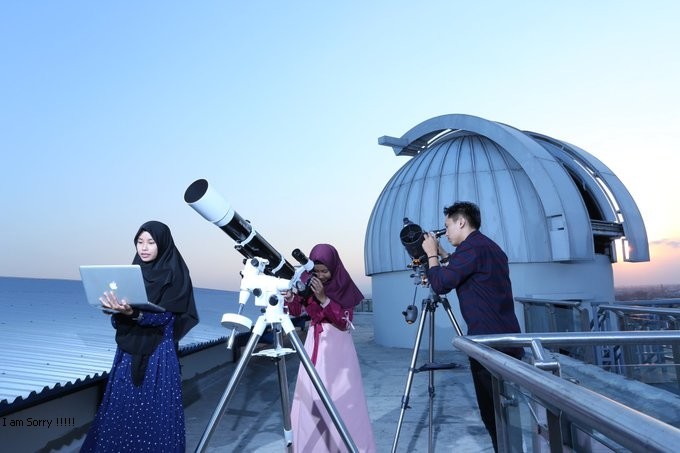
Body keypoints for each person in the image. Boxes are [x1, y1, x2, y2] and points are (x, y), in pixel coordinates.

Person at [81, 221, 199, 453]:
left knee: (155, 416)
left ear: (162, 244)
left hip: (159, 357)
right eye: (140, 242)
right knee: (120, 412)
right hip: (127, 354)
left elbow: (166, 319)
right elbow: (121, 319)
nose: (144, 248)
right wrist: (114, 309)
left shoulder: (176, 273)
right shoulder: (133, 273)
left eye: (151, 242)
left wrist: (133, 313)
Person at [422, 201, 523, 453]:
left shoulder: (471, 250)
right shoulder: (487, 246)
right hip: (505, 337)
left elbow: (442, 284)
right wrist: (445, 256)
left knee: (493, 414)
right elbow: (465, 268)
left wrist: (432, 255)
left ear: (461, 222)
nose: (445, 232)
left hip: (488, 344)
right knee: (504, 413)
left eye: (447, 226)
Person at [285, 243, 376, 453]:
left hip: (338, 348)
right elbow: (297, 310)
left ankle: (346, 446)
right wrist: (291, 299)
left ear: (334, 267)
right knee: (311, 396)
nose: (321, 275)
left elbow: (344, 322)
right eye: (316, 271)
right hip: (314, 344)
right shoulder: (308, 282)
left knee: (340, 399)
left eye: (325, 271)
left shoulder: (344, 286)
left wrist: (324, 300)